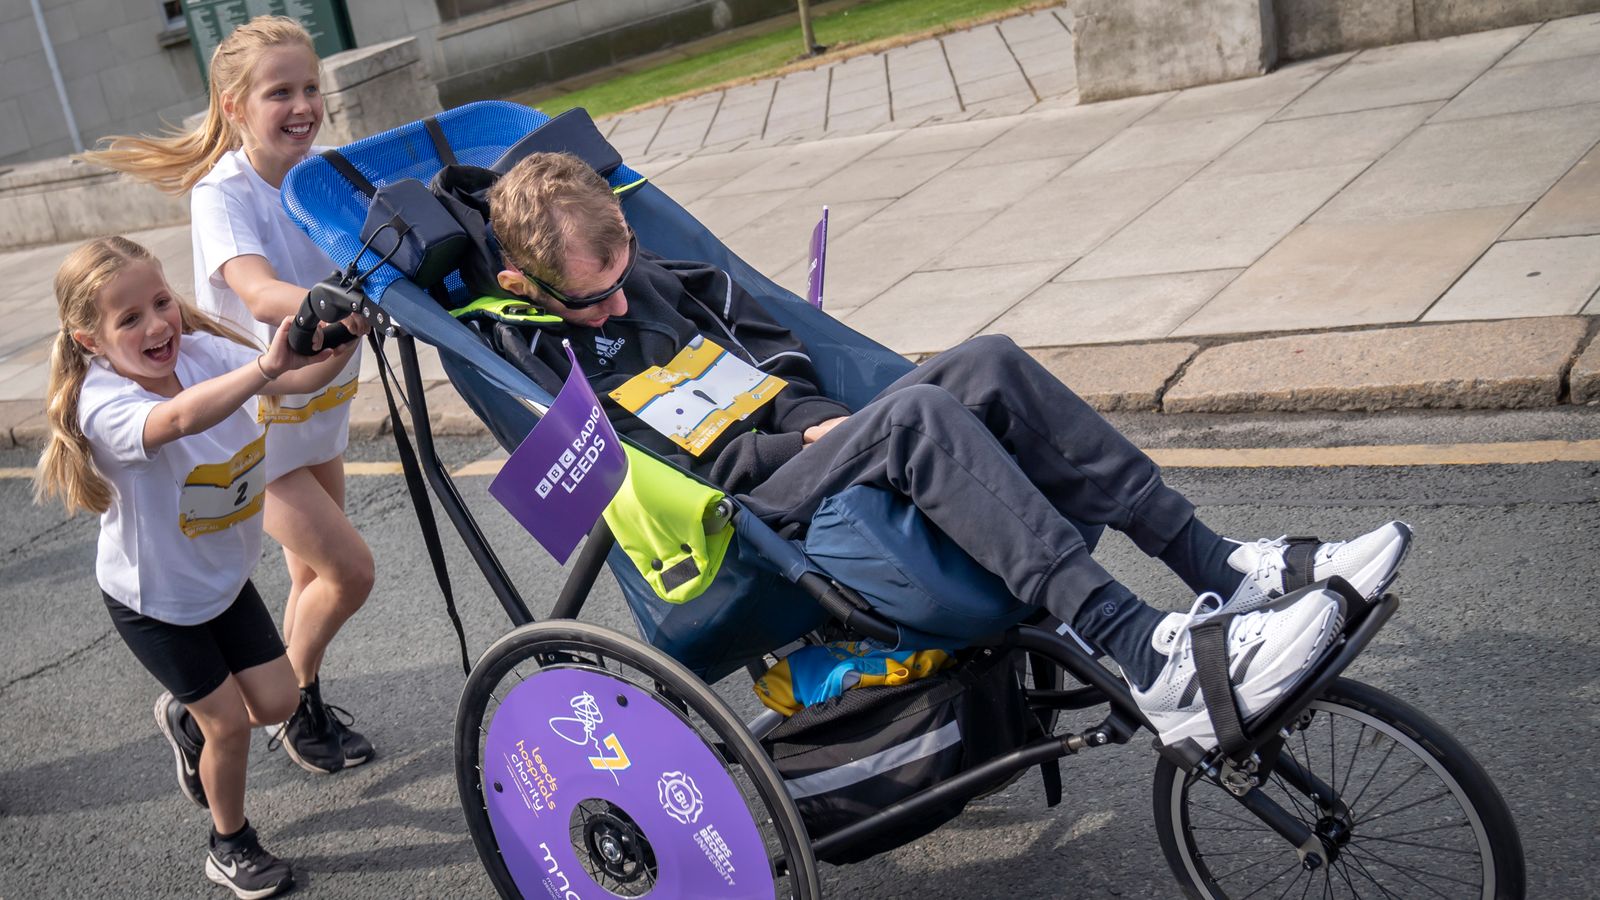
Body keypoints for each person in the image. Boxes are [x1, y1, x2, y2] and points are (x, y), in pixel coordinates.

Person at [477, 152, 1415, 755]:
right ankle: (1147, 655)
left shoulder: (663, 278)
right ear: (525, 284)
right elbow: (667, 483)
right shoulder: (544, 367)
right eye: (589, 298)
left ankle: (1221, 565)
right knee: (915, 418)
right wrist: (789, 442)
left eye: (621, 268)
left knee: (989, 363)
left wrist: (810, 418)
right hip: (738, 517)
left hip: (808, 447)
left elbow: (783, 358)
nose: (617, 303)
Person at [83, 16, 375, 774]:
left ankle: (256, 706)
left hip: (324, 406)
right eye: (280, 91)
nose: (303, 105)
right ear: (234, 104)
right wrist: (332, 300)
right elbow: (254, 287)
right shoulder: (222, 193)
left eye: (311, 87)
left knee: (312, 578)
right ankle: (255, 707)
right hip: (259, 420)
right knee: (350, 572)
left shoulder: (327, 173)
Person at [34, 236, 362, 898]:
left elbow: (297, 376)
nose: (157, 325)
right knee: (233, 726)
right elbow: (179, 418)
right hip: (155, 602)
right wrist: (268, 366)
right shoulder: (102, 403)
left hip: (222, 583)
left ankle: (188, 719)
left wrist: (345, 335)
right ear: (89, 339)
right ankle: (229, 842)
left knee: (276, 702)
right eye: (129, 319)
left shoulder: (205, 353)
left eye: (161, 302)